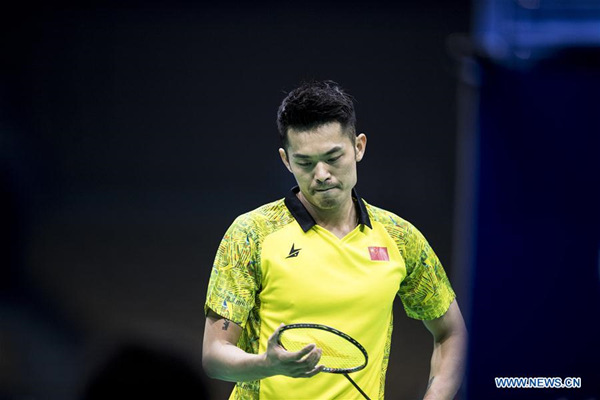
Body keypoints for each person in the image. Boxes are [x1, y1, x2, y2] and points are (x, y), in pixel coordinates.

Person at [202, 80, 467, 400]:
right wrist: (268, 364)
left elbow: (451, 332)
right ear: (286, 161)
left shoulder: (400, 238)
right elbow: (215, 355)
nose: (322, 174)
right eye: (305, 162)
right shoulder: (251, 235)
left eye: (333, 157)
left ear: (359, 146)